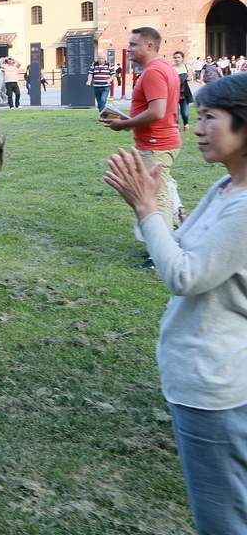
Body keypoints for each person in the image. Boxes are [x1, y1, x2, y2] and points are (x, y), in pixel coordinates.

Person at [104, 74, 247, 534]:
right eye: (198, 116)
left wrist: (147, 211)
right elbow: (180, 244)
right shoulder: (224, 189)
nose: (196, 127)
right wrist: (147, 211)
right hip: (205, 372)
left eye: (210, 118)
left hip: (216, 384)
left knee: (220, 516)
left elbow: (183, 275)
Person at [99, 27, 182, 238]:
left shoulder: (154, 72)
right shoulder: (164, 68)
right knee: (161, 189)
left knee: (154, 195)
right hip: (161, 140)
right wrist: (125, 119)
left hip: (156, 143)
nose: (130, 49)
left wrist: (125, 124)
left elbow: (157, 112)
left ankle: (160, 250)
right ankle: (178, 231)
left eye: (134, 44)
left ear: (150, 46)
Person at [173, 50, 194, 133]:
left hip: (184, 92)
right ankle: (176, 127)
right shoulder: (171, 68)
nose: (176, 59)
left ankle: (186, 124)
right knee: (175, 113)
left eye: (178, 57)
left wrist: (189, 77)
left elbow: (190, 75)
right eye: (175, 57)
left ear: (182, 58)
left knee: (184, 113)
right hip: (174, 92)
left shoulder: (186, 66)